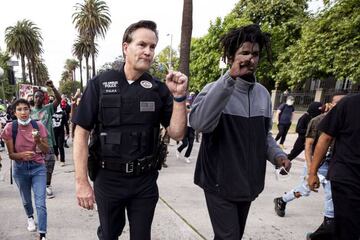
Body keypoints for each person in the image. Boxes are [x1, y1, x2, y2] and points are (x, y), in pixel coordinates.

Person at [72, 20, 187, 240]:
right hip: (108, 178)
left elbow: (177, 133)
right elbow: (81, 133)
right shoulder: (100, 84)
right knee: (108, 235)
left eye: (152, 47)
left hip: (144, 181)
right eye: (142, 44)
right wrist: (82, 182)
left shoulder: (159, 89)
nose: (148, 51)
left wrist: (179, 97)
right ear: (126, 47)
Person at [189, 24, 291, 239]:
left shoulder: (263, 94)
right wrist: (229, 79)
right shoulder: (214, 88)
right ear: (231, 57)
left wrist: (278, 155)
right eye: (244, 53)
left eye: (255, 54)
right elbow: (199, 123)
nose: (250, 59)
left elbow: (264, 136)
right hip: (219, 183)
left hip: (248, 184)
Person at [273, 95, 344, 220]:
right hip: (316, 161)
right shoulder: (317, 120)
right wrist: (312, 169)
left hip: (333, 163)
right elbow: (308, 145)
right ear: (331, 104)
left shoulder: (345, 122)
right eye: (339, 103)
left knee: (331, 192)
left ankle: (328, 222)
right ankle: (282, 200)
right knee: (305, 189)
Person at [308, 93, 360, 240]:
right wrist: (312, 172)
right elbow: (325, 137)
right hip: (347, 177)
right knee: (349, 229)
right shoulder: (348, 104)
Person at [1, 99, 49, 240]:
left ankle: (42, 234)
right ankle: (29, 216)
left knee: (41, 203)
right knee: (27, 200)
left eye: (26, 109)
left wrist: (39, 141)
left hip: (38, 168)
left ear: (30, 110)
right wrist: (21, 155)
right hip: (20, 169)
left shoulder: (38, 125)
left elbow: (46, 150)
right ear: (14, 112)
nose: (23, 112)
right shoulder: (10, 128)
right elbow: (11, 155)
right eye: (20, 109)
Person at [31, 80, 61, 199]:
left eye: (40, 97)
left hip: (48, 142)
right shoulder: (29, 111)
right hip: (34, 144)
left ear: (44, 99)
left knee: (49, 164)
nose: (38, 98)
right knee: (36, 165)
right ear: (33, 98)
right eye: (36, 96)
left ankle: (48, 185)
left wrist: (53, 87)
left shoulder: (48, 108)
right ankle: (38, 186)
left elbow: (58, 100)